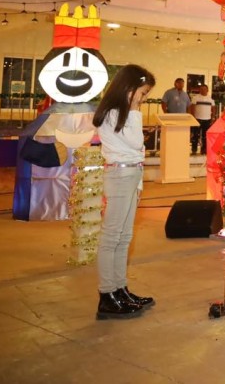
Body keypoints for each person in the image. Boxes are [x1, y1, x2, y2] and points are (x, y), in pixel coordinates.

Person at [92, 64, 156, 319]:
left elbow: (136, 149)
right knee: (112, 236)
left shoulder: (124, 112)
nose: (142, 99)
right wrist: (136, 110)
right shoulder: (115, 112)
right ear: (128, 88)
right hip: (119, 174)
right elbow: (137, 143)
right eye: (142, 93)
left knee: (124, 236)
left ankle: (120, 290)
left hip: (131, 173)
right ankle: (107, 294)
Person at [190, 84, 214, 155]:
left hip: (207, 120)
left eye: (204, 89)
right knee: (195, 135)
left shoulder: (211, 99)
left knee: (205, 136)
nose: (203, 90)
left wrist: (212, 119)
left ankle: (204, 150)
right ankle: (194, 150)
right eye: (201, 89)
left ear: (207, 90)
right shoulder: (195, 98)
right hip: (197, 119)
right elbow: (192, 108)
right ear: (199, 90)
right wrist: (193, 117)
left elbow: (213, 109)